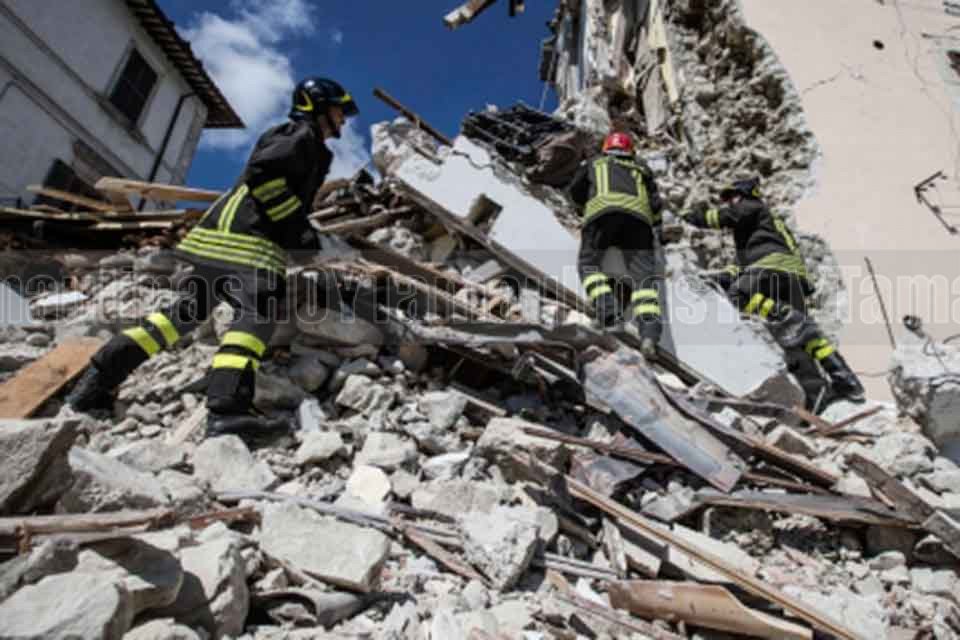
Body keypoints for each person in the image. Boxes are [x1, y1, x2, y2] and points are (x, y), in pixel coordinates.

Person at [67, 77, 359, 436]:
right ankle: (228, 411)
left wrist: (301, 232)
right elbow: (265, 177)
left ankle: (96, 381)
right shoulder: (300, 136)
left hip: (219, 238)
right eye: (339, 111)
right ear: (318, 107)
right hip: (247, 239)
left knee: (184, 315)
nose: (343, 120)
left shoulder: (306, 142)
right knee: (256, 316)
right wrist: (297, 230)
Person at [683, 177, 865, 406]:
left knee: (739, 296)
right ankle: (843, 383)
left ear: (746, 194)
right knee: (801, 341)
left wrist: (693, 217)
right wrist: (720, 277)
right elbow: (743, 267)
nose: (730, 202)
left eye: (733, 197)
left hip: (772, 267)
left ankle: (789, 317)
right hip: (788, 274)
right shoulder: (761, 229)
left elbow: (724, 217)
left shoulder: (752, 207)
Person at [568, 131, 664, 356]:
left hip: (603, 216)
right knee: (644, 281)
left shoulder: (595, 162)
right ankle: (649, 336)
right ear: (631, 151)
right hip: (638, 223)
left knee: (588, 265)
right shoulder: (642, 167)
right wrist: (657, 231)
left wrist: (581, 208)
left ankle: (610, 314)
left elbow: (575, 191)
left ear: (606, 148)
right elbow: (656, 205)